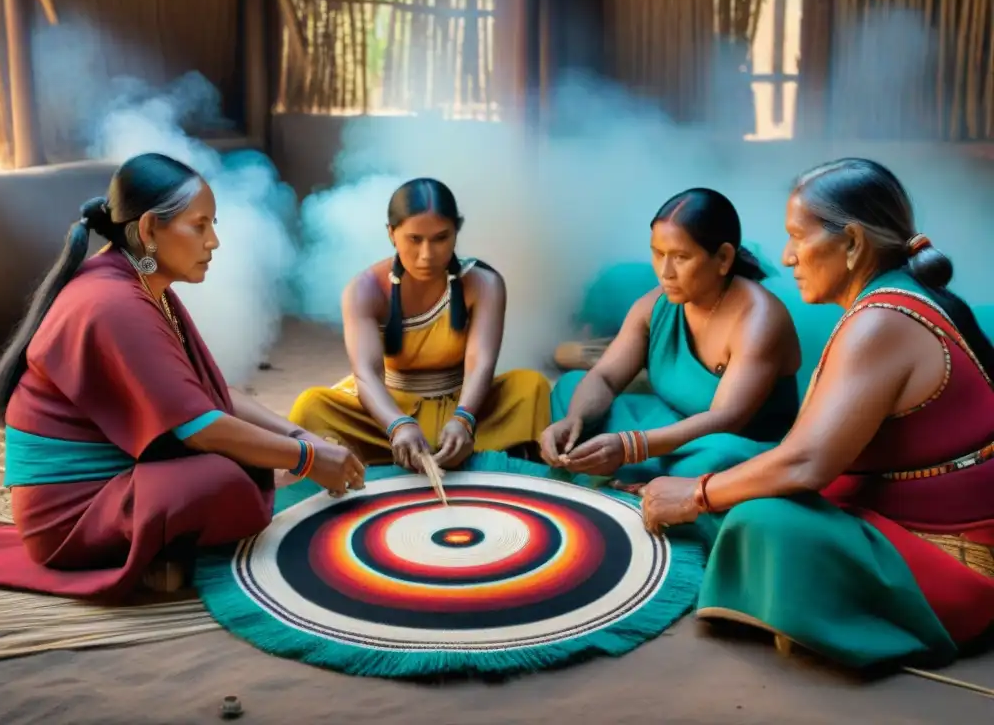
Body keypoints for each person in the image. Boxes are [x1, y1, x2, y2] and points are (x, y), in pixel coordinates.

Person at [641, 159, 994, 669]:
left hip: (949, 561)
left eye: (797, 238)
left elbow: (807, 465)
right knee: (728, 455)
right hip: (882, 505)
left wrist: (694, 496)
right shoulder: (886, 302)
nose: (785, 257)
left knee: (760, 519)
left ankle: (813, 605)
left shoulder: (883, 320)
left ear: (851, 243)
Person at [0, 153, 364, 600]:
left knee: (248, 455)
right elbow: (201, 427)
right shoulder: (113, 303)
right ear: (149, 230)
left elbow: (209, 396)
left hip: (109, 485)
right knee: (226, 476)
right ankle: (156, 549)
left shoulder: (140, 285)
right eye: (199, 226)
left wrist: (299, 437)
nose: (214, 241)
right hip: (70, 515)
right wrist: (305, 458)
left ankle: (167, 542)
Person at [540, 188, 802, 499]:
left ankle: (632, 478)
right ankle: (636, 477)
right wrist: (575, 420)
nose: (665, 272)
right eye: (658, 253)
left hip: (727, 443)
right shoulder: (655, 306)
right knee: (572, 388)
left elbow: (727, 418)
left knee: (718, 461)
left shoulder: (759, 318)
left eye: (680, 257)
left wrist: (631, 447)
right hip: (665, 425)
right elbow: (605, 377)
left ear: (723, 258)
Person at [289, 177, 551, 472]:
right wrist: (397, 425)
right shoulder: (365, 289)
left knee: (531, 387)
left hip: (465, 404)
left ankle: (459, 444)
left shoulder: (484, 283)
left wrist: (464, 418)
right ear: (392, 233)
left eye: (441, 238)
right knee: (312, 406)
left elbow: (481, 363)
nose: (427, 254)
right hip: (388, 410)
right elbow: (366, 376)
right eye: (415, 239)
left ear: (456, 232)